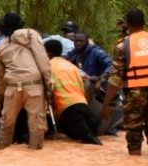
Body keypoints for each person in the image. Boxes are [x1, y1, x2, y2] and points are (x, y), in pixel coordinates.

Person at [0, 12, 53, 150]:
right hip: (34, 86)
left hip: (12, 87)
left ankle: (3, 148)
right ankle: (35, 151)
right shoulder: (31, 35)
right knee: (36, 124)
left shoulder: (1, 46)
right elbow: (42, 60)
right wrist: (48, 83)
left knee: (6, 122)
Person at [101, 8, 148, 155]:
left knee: (134, 135)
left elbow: (115, 79)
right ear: (144, 22)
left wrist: (106, 104)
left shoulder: (123, 45)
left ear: (128, 24)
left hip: (135, 94)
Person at [44, 39, 103, 145]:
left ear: (48, 52)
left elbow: (49, 89)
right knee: (92, 132)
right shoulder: (71, 65)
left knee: (87, 137)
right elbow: (85, 81)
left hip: (67, 108)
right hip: (83, 105)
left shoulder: (48, 66)